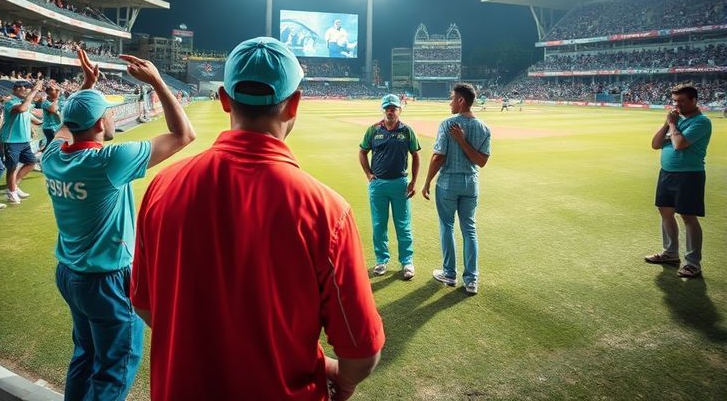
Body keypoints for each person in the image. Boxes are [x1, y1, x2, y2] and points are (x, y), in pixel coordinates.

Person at [131, 37, 384, 401]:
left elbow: (144, 304)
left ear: (223, 98)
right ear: (294, 103)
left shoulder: (162, 188)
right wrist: (341, 382)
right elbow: (361, 353)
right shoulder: (327, 211)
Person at [42, 49, 194, 401]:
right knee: (114, 369)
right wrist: (156, 80)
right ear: (100, 124)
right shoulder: (110, 161)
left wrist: (86, 88)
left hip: (69, 274)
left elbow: (69, 125)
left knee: (85, 355)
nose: (112, 119)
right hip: (106, 281)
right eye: (108, 114)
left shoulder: (52, 156)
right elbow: (183, 135)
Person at [421, 83, 491, 295]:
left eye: (452, 98)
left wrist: (426, 182)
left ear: (461, 101)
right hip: (471, 183)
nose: (450, 102)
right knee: (469, 229)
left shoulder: (448, 124)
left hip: (449, 183)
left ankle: (449, 274)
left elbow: (438, 156)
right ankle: (471, 280)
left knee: (447, 227)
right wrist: (464, 143)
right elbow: (481, 161)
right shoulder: (483, 128)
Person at [645, 84, 712, 278]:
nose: (677, 104)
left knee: (688, 217)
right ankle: (670, 253)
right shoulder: (677, 121)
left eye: (682, 100)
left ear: (694, 100)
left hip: (689, 175)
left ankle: (692, 263)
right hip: (667, 173)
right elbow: (655, 144)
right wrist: (667, 123)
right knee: (665, 212)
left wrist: (673, 125)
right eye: (675, 100)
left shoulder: (701, 122)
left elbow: (680, 144)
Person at [359, 93, 420, 280]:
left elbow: (415, 156)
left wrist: (413, 181)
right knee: (379, 224)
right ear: (383, 110)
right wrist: (369, 174)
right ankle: (381, 260)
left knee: (403, 224)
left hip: (400, 184)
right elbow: (362, 152)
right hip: (378, 185)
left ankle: (407, 261)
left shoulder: (407, 131)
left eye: (393, 108)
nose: (390, 111)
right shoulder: (373, 130)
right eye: (387, 108)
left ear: (399, 109)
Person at [0, 79, 43, 204]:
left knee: (31, 162)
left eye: (30, 88)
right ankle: (12, 192)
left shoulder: (24, 102)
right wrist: (35, 90)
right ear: (17, 89)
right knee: (12, 167)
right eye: (27, 88)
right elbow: (22, 109)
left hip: (24, 140)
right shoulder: (10, 101)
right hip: (11, 140)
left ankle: (14, 187)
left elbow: (30, 117)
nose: (28, 90)